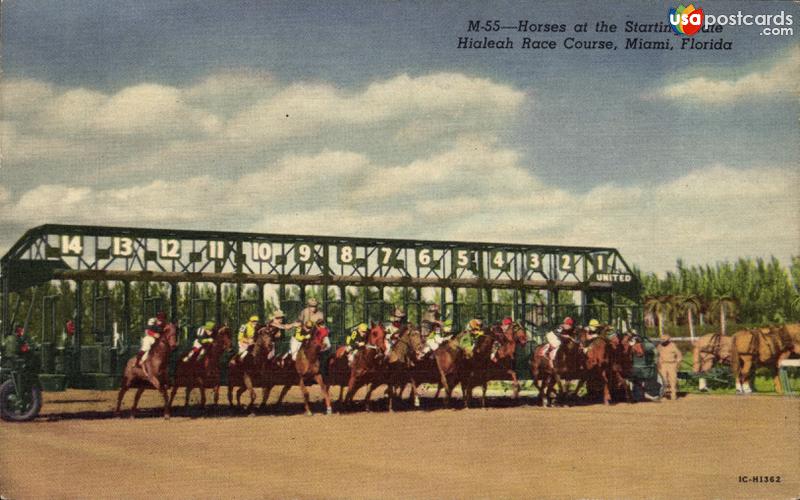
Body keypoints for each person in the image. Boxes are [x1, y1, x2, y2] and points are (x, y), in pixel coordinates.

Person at [657, 333, 682, 401]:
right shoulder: (659, 346)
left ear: (668, 340)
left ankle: (673, 395)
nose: (662, 341)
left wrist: (678, 362)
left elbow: (679, 355)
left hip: (672, 364)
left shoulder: (673, 345)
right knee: (663, 380)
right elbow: (657, 355)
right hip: (663, 365)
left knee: (672, 380)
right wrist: (658, 363)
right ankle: (663, 395)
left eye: (664, 339)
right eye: (661, 339)